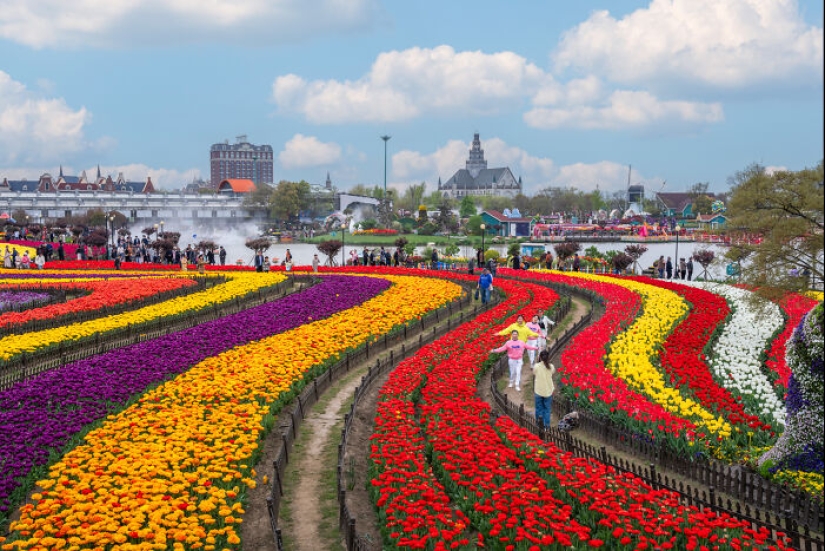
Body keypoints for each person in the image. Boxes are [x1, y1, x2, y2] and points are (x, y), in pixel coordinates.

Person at [532, 349, 556, 429]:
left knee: (539, 408)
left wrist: (538, 361)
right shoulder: (551, 366)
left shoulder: (536, 366)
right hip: (548, 390)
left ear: (540, 357)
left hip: (538, 390)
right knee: (547, 409)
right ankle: (547, 426)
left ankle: (539, 424)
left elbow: (534, 373)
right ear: (548, 357)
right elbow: (552, 373)